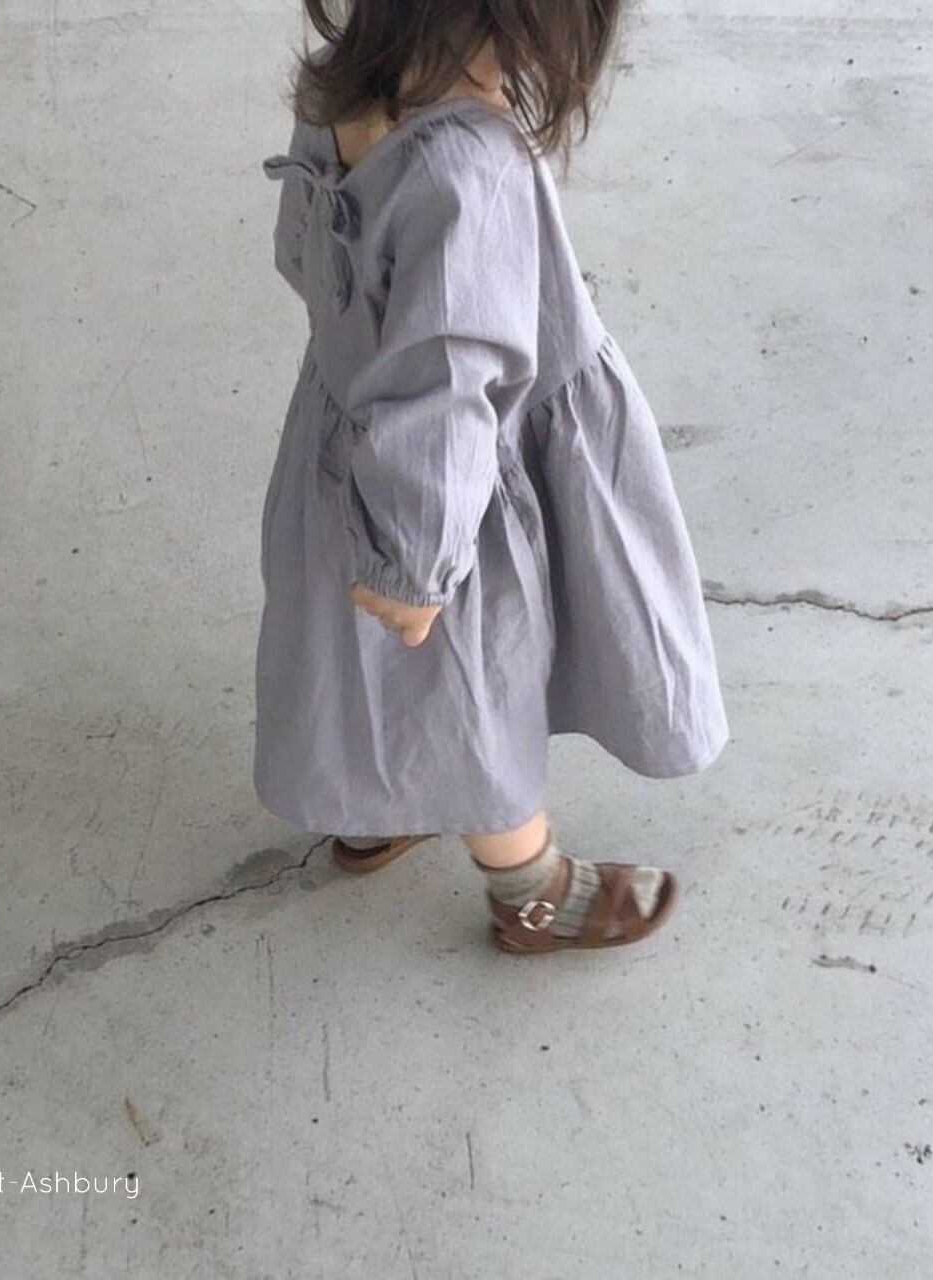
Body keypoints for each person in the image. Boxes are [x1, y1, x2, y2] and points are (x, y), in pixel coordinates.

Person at [255, 1, 728, 954]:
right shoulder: (470, 168)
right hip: (447, 489)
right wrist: (415, 559)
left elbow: (304, 258)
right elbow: (447, 388)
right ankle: (530, 890)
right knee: (474, 691)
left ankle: (375, 801)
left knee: (357, 654)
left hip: (352, 432)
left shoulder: (335, 84)